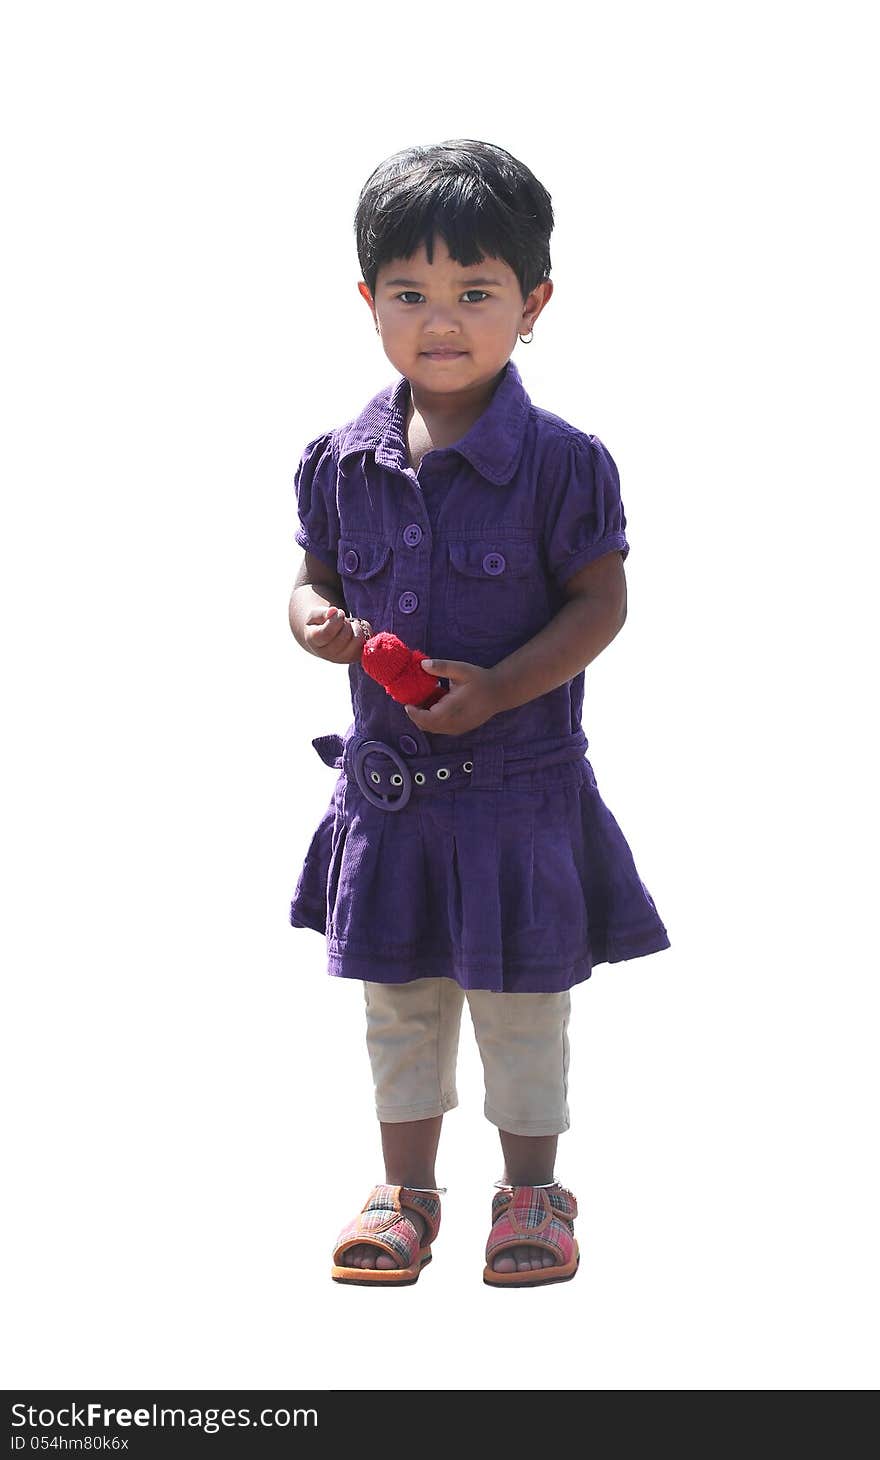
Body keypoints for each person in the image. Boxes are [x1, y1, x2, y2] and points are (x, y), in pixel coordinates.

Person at [287, 139, 670, 1288]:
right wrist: (310, 614)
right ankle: (405, 1192)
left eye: (474, 292)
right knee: (399, 1001)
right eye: (408, 292)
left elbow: (601, 602)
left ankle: (532, 1192)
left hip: (516, 796)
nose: (439, 319)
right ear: (368, 302)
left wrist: (499, 688)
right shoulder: (338, 460)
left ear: (531, 302)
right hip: (390, 797)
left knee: (518, 1003)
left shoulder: (562, 465)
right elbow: (312, 576)